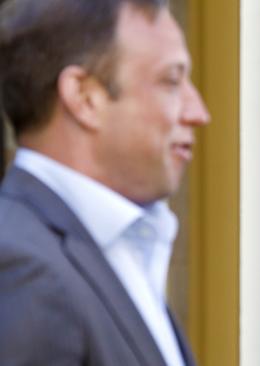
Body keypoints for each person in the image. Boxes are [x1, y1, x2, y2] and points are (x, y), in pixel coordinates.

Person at [0, 0, 210, 364]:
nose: (197, 113)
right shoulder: (24, 268)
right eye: (171, 81)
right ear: (84, 97)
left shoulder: (121, 247)